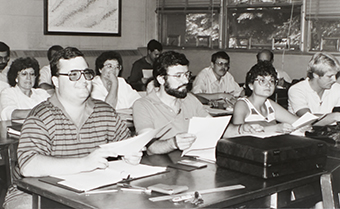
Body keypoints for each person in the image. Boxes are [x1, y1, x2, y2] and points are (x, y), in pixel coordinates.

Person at [3, 47, 141, 209]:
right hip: (35, 192)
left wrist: (131, 154)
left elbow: (125, 145)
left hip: (92, 186)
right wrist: (84, 163)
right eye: (73, 75)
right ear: (55, 82)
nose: (83, 81)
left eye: (86, 73)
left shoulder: (105, 111)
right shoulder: (40, 115)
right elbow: (29, 165)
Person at [133, 51, 210, 155]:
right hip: (161, 165)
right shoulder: (143, 105)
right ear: (161, 79)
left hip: (191, 160)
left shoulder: (190, 99)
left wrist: (239, 129)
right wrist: (173, 143)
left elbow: (213, 126)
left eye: (187, 74)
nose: (186, 81)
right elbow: (151, 147)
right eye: (178, 76)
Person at [232, 61, 298, 134]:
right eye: (262, 81)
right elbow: (237, 132)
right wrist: (276, 128)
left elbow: (297, 122)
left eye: (271, 81)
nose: (268, 84)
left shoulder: (270, 104)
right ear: (251, 85)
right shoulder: (242, 104)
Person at [288, 52, 340, 126]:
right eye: (329, 76)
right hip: (300, 134)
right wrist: (335, 117)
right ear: (316, 75)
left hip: (326, 133)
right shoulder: (296, 90)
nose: (334, 79)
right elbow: (307, 119)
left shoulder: (336, 88)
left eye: (335, 75)